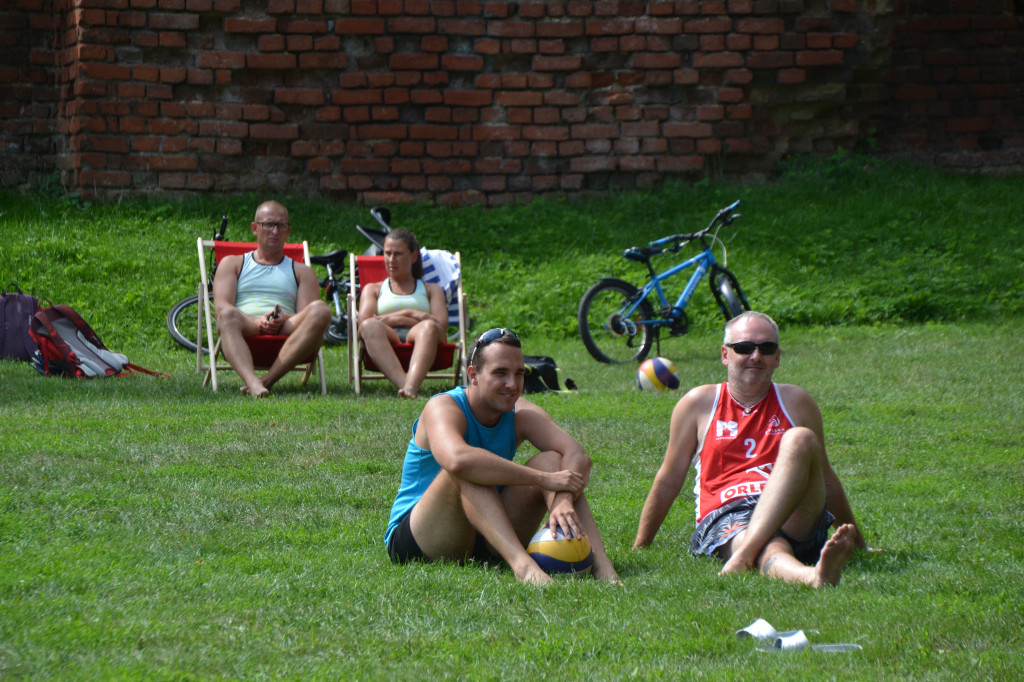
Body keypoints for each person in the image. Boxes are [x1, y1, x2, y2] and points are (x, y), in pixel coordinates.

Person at [633, 311, 867, 587]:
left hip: (795, 511)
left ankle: (743, 557)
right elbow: (670, 478)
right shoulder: (698, 403)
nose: (756, 356)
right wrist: (641, 545)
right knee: (768, 545)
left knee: (800, 438)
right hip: (729, 514)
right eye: (744, 348)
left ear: (777, 358)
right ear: (724, 355)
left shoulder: (797, 401)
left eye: (766, 349)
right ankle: (811, 576)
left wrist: (860, 545)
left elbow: (825, 477)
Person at [385, 328, 620, 585]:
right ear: (474, 375)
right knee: (467, 468)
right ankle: (525, 568)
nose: (512, 384)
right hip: (419, 538)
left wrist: (563, 499)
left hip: (484, 537)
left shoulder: (521, 413)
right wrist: (543, 479)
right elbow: (457, 460)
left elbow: (577, 455)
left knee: (553, 460)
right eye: (500, 373)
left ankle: (602, 565)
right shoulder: (443, 406)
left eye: (518, 373)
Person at [212, 200, 331, 398]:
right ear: (254, 228)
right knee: (226, 314)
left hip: (286, 327)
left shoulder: (303, 272)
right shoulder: (232, 263)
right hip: (246, 326)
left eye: (281, 226)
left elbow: (305, 317)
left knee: (321, 310)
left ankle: (266, 381)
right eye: (268, 224)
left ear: (288, 231)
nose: (275, 231)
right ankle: (253, 383)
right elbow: (221, 306)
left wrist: (282, 319)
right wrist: (256, 321)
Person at [357, 229, 448, 398]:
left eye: (398, 254)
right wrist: (416, 315)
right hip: (387, 337)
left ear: (413, 257)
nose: (391, 260)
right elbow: (364, 323)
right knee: (369, 326)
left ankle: (409, 388)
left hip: (422, 336)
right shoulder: (373, 289)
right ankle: (408, 387)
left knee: (428, 327)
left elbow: (440, 325)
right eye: (387, 253)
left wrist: (398, 316)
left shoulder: (431, 289)